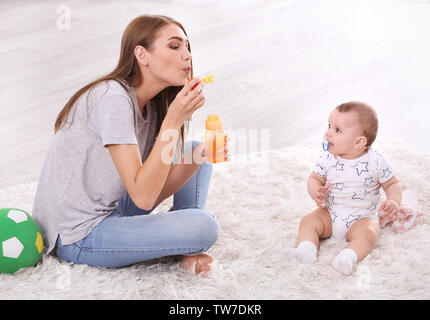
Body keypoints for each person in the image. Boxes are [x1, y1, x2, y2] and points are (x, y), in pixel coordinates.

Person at [32, 14, 228, 275]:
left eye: (188, 47)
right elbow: (144, 197)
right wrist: (173, 120)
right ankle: (186, 237)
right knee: (205, 228)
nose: (187, 56)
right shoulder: (112, 98)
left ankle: (183, 239)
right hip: (76, 234)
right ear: (142, 55)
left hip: (114, 206)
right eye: (174, 46)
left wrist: (200, 153)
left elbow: (151, 192)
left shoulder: (155, 106)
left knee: (195, 152)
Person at [284, 101, 402, 275]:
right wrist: (315, 191)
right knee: (308, 220)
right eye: (329, 126)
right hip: (330, 214)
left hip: (361, 218)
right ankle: (306, 250)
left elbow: (392, 183)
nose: (328, 133)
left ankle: (348, 256)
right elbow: (314, 178)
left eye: (337, 130)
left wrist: (394, 200)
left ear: (359, 142)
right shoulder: (328, 158)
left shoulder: (376, 162)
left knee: (369, 233)